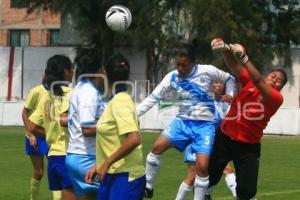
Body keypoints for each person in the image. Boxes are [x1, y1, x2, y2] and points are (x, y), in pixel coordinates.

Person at [137, 43, 236, 200]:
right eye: (177, 64)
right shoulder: (172, 77)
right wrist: (135, 115)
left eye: (184, 65)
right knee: (156, 148)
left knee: (202, 168)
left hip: (204, 126)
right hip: (182, 123)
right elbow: (154, 97)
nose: (180, 68)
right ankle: (148, 187)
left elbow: (230, 78)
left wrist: (230, 94)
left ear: (192, 63)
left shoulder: (208, 71)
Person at [209, 38, 288, 200]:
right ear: (267, 75)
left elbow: (258, 79)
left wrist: (244, 58)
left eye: (278, 81)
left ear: (280, 88)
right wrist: (224, 49)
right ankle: (204, 195)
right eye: (273, 76)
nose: (274, 80)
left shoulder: (276, 98)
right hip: (224, 137)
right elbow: (235, 67)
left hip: (248, 147)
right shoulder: (250, 82)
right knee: (208, 177)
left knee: (248, 191)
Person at [85, 53, 146, 200]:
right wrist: (98, 165)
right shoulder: (115, 101)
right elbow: (114, 140)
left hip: (126, 176)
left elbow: (133, 139)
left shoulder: (120, 102)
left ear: (104, 72)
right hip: (112, 174)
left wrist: (106, 163)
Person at [175, 80, 237, 200]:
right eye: (216, 82)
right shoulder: (201, 101)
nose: (219, 85)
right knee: (192, 176)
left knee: (227, 168)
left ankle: (235, 195)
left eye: (221, 83)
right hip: (198, 142)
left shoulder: (223, 104)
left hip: (214, 144)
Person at [29, 55, 76, 200]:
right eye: (72, 69)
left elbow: (32, 126)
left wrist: (50, 133)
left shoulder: (47, 96)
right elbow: (64, 120)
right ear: (66, 71)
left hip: (53, 157)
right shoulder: (71, 94)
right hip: (68, 155)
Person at [66, 48, 105, 200]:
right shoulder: (88, 92)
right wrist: (112, 128)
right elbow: (87, 128)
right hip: (86, 157)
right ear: (100, 69)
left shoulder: (79, 88)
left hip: (76, 154)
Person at [22, 77, 57, 200]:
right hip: (36, 135)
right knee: (39, 172)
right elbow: (24, 113)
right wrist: (31, 135)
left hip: (51, 135)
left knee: (55, 170)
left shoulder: (58, 92)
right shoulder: (36, 91)